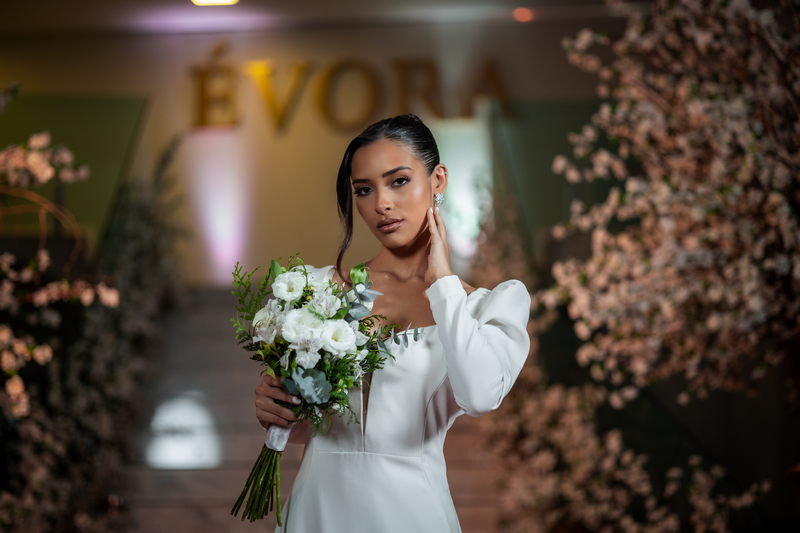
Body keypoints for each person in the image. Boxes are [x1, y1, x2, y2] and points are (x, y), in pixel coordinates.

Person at [254, 113, 531, 532]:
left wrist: (444, 285)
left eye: (398, 181)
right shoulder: (317, 291)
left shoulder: (484, 307)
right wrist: (277, 409)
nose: (381, 203)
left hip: (413, 513)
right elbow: (311, 426)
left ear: (438, 180)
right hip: (317, 508)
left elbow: (479, 396)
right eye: (364, 190)